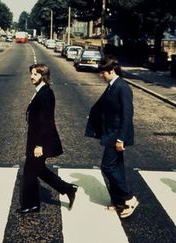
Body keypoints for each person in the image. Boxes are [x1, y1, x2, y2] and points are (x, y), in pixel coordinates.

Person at [18, 63, 78, 214]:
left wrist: (39, 145)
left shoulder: (45, 93)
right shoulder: (41, 91)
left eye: (36, 74)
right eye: (31, 73)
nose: (32, 77)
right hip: (36, 138)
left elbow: (46, 121)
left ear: (43, 76)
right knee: (37, 169)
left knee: (30, 172)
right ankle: (67, 189)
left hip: (40, 140)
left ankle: (31, 204)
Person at [85, 55, 138, 219]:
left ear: (112, 70)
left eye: (103, 72)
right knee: (118, 167)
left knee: (107, 166)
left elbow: (127, 115)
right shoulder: (112, 85)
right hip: (111, 133)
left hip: (117, 135)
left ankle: (129, 197)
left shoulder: (122, 87)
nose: (101, 75)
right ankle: (119, 202)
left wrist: (121, 138)